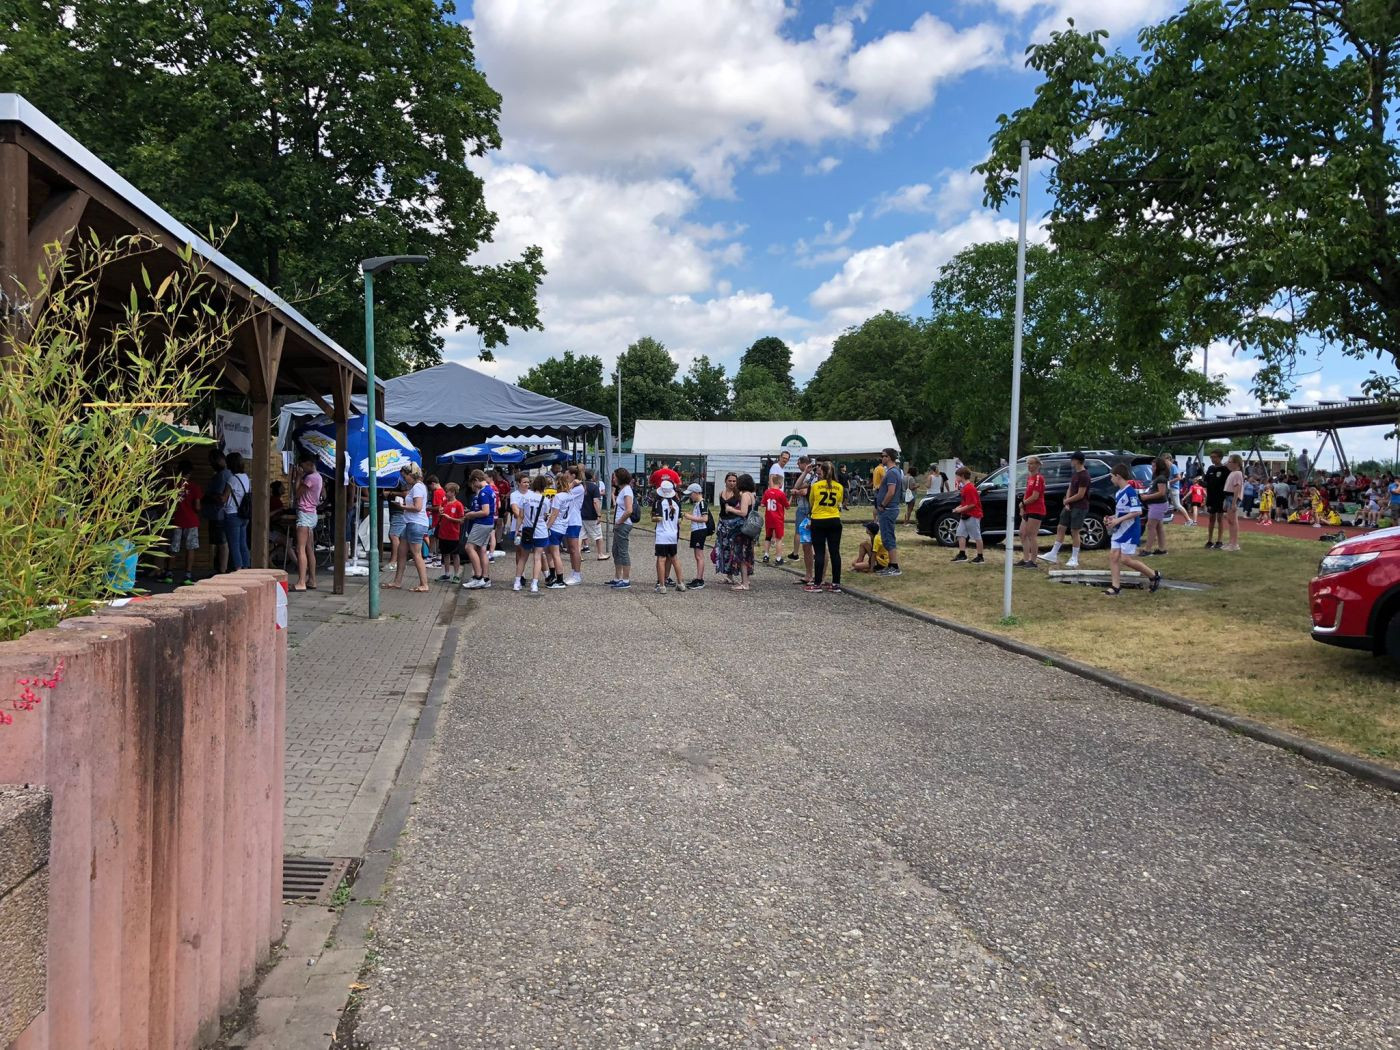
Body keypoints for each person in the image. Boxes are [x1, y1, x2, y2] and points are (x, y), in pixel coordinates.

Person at [1103, 463, 1161, 597]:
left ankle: (1153, 575)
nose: (1111, 479)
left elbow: (1137, 511)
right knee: (1113, 556)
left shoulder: (1130, 492)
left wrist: (1118, 520)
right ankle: (1115, 586)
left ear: (1118, 476)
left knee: (1126, 559)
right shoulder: (1119, 492)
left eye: (1112, 476)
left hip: (1129, 530)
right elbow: (1122, 512)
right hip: (1119, 530)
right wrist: (1111, 518)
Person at [1040, 451, 1090, 569]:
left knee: (1074, 531)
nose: (1071, 461)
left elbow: (1081, 494)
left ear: (1077, 460)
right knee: (1061, 527)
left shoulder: (1084, 475)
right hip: (1070, 505)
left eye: (1073, 459)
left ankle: (1074, 558)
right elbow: (1070, 488)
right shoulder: (1075, 474)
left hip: (1080, 507)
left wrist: (1068, 500)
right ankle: (1053, 553)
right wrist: (1067, 501)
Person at [387, 464, 430, 592]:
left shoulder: (417, 487)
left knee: (416, 554)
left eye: (405, 476)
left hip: (416, 524)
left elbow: (418, 507)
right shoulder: (417, 487)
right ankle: (397, 582)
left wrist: (402, 506)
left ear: (411, 475)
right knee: (401, 552)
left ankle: (424, 584)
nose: (404, 479)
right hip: (410, 523)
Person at [162, 458, 202, 585]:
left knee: (173, 548)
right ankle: (187, 576)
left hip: (176, 520)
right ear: (190, 472)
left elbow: (166, 506)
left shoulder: (172, 486)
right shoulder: (194, 487)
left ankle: (169, 574)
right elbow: (197, 507)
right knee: (190, 548)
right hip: (191, 521)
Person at [806, 460, 844, 592]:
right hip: (834, 519)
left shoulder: (816, 486)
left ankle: (817, 583)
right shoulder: (839, 487)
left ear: (822, 472)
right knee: (835, 552)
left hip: (819, 520)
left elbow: (811, 502)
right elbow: (839, 502)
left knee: (819, 552)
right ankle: (836, 583)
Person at [716, 472, 756, 589]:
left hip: (742, 529)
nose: (735, 483)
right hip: (748, 528)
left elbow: (743, 512)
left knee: (741, 555)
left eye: (737, 481)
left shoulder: (744, 495)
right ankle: (745, 581)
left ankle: (745, 583)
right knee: (746, 554)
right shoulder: (751, 495)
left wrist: (731, 509)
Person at [461, 469, 497, 588]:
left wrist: (471, 514)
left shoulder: (483, 492)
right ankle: (485, 578)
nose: (473, 486)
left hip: (482, 523)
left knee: (469, 547)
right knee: (482, 550)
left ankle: (478, 576)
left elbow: (485, 511)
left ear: (476, 480)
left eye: (473, 483)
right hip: (488, 523)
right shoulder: (489, 490)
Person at [291, 451, 322, 590]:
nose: (301, 468)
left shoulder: (309, 478)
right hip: (312, 513)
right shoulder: (318, 477)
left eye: (302, 466)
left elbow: (297, 493)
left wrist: (298, 477)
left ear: (309, 464)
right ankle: (312, 580)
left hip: (304, 513)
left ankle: (301, 582)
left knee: (300, 549)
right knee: (309, 549)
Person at [873, 448, 903, 576]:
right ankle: (891, 565)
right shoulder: (893, 472)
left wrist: (882, 505)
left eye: (883, 455)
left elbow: (891, 491)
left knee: (888, 537)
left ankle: (894, 566)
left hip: (888, 509)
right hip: (889, 509)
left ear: (889, 457)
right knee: (886, 537)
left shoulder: (892, 473)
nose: (882, 458)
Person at [652, 480, 685, 593]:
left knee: (661, 559)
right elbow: (679, 520)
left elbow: (657, 518)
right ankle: (680, 583)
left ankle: (662, 585)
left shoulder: (659, 503)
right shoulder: (676, 503)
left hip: (662, 534)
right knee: (674, 558)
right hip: (673, 534)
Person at [522, 474, 553, 595]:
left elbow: (522, 514)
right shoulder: (545, 500)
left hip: (527, 530)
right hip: (540, 531)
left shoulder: (526, 497)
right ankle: (534, 583)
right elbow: (545, 515)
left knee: (523, 557)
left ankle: (518, 581)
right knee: (538, 557)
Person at [222, 452, 252, 570]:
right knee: (243, 543)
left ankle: (238, 570)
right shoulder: (246, 477)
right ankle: (246, 568)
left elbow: (224, 498)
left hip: (232, 514)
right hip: (244, 514)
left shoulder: (232, 479)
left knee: (234, 545)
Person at [950, 465, 984, 564]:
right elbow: (966, 502)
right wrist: (958, 508)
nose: (956, 478)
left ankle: (980, 556)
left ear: (962, 476)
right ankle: (962, 554)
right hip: (965, 515)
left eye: (957, 476)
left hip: (973, 515)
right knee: (960, 533)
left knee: (977, 536)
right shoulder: (965, 488)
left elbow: (973, 504)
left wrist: (960, 510)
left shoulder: (969, 488)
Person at [789, 456, 815, 583]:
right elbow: (797, 486)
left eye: (799, 463)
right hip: (806, 507)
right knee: (805, 537)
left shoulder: (811, 476)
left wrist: (796, 491)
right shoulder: (808, 475)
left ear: (804, 463)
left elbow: (804, 491)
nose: (798, 466)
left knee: (800, 533)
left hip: (806, 508)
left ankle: (796, 553)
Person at [1016, 455, 1046, 568]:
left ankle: (1033, 561)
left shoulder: (1039, 478)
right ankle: (1025, 559)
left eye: (1032, 463)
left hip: (1036, 509)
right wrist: (1022, 507)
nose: (1029, 466)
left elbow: (1035, 496)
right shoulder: (1030, 477)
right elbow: (1027, 493)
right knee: (1022, 533)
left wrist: (1023, 504)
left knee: (1031, 534)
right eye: (1028, 463)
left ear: (1037, 465)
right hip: (1028, 509)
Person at [204, 448, 230, 574]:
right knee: (219, 542)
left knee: (221, 542)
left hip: (219, 513)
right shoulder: (225, 474)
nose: (211, 463)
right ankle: (220, 568)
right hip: (217, 513)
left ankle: (222, 569)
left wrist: (208, 496)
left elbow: (220, 497)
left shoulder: (222, 475)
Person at [1139, 456, 1171, 558]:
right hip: (1156, 504)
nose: (1152, 468)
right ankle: (1162, 549)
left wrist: (1147, 497)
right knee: (1158, 527)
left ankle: (1147, 550)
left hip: (1158, 505)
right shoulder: (1156, 477)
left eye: (1154, 466)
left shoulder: (1161, 478)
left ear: (1159, 467)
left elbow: (1162, 493)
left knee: (1151, 526)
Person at [609, 468, 635, 589]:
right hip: (620, 525)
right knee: (616, 550)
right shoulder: (623, 490)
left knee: (623, 551)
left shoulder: (627, 491)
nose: (613, 479)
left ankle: (625, 579)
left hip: (623, 524)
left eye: (615, 477)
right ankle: (617, 577)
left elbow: (629, 510)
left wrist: (619, 521)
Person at [683, 483, 711, 589]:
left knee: (699, 556)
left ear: (696, 493)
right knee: (697, 556)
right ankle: (698, 578)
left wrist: (690, 517)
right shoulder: (697, 503)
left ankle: (700, 580)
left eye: (691, 494)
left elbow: (705, 518)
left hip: (700, 530)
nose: (690, 496)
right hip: (696, 530)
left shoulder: (702, 503)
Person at [436, 482, 465, 583]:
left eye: (447, 491)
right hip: (443, 533)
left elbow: (462, 520)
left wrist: (450, 518)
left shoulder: (458, 505)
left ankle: (456, 575)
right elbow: (440, 516)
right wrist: (440, 513)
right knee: (445, 554)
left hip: (453, 534)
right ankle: (447, 574)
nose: (445, 493)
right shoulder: (444, 502)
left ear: (453, 492)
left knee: (455, 554)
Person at [1202, 449, 1230, 550]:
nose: (1212, 459)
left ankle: (1219, 541)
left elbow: (1227, 485)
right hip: (1211, 497)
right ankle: (1209, 540)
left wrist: (1226, 498)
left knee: (1220, 518)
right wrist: (1201, 483)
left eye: (1214, 457)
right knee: (1211, 518)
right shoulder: (1210, 468)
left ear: (1220, 457)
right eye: (1211, 457)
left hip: (1220, 497)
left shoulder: (1225, 470)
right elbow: (1206, 482)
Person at [761, 475, 789, 564]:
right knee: (779, 539)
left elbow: (762, 504)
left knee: (768, 537)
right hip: (778, 519)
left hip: (768, 518)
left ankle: (766, 555)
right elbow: (787, 506)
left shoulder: (767, 492)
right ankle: (778, 558)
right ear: (780, 483)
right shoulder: (781, 493)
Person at [582, 469, 608, 560]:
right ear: (593, 476)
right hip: (591, 515)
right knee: (598, 535)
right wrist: (599, 514)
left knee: (580, 536)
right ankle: (600, 554)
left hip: (580, 514)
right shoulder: (594, 487)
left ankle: (578, 555)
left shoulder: (580, 486)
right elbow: (596, 502)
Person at [1223, 454, 1245, 551]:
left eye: (1230, 462)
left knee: (1233, 521)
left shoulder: (1237, 473)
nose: (1228, 463)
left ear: (1236, 463)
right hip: (1229, 496)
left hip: (1232, 497)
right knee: (1230, 521)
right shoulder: (1233, 473)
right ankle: (1231, 542)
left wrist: (1233, 503)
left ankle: (1234, 544)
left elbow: (1237, 488)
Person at [426, 474, 444, 566]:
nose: (430, 489)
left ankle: (432, 559)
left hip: (437, 519)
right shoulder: (443, 491)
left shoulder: (437, 492)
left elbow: (438, 507)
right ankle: (436, 559)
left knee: (433, 539)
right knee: (436, 540)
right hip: (440, 520)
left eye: (430, 487)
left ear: (433, 484)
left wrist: (427, 508)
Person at [1166, 454, 1187, 521]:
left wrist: (1168, 482)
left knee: (1177, 505)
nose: (1163, 462)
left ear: (1168, 459)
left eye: (1164, 460)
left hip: (1174, 488)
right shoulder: (1167, 467)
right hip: (1169, 488)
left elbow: (1179, 477)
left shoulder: (1173, 466)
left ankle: (1188, 520)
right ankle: (1166, 517)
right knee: (1166, 503)